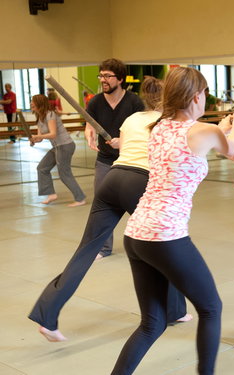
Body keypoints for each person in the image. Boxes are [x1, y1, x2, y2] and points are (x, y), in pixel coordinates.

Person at [28, 76, 191, 343]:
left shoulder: (132, 119)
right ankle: (174, 310)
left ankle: (47, 313)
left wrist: (119, 143)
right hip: (140, 182)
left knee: (86, 249)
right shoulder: (170, 123)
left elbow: (126, 149)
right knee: (165, 243)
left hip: (113, 179)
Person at [111, 67, 234, 375]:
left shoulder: (159, 127)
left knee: (152, 323)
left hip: (136, 234)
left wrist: (223, 125)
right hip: (165, 235)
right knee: (211, 308)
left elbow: (210, 137)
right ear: (197, 96)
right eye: (205, 94)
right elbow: (233, 147)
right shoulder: (202, 131)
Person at [85, 58, 145, 258]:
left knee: (138, 204)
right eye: (101, 75)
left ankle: (148, 243)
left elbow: (143, 129)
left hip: (130, 162)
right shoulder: (95, 101)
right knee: (102, 204)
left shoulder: (134, 102)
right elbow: (90, 122)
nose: (103, 79)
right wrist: (89, 132)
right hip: (104, 159)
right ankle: (103, 248)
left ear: (120, 79)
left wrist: (124, 140)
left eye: (108, 76)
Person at [29, 94, 86, 206]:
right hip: (57, 147)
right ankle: (50, 194)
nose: (31, 103)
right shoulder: (39, 118)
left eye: (33, 101)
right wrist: (34, 140)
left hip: (65, 145)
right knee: (42, 168)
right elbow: (40, 138)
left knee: (64, 174)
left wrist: (38, 137)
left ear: (39, 103)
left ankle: (80, 198)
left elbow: (53, 134)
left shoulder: (50, 114)